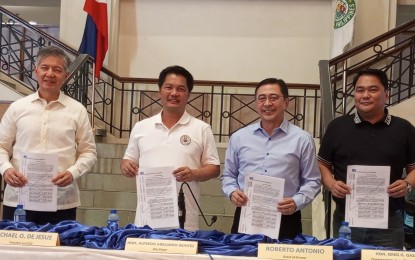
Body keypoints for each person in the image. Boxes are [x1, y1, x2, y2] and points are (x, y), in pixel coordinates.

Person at [318, 68, 415, 249]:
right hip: (346, 221)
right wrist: (331, 184)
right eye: (360, 90)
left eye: (372, 89)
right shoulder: (337, 127)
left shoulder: (404, 129)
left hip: (388, 223)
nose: (365, 95)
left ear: (386, 94)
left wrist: (407, 184)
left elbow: (413, 169)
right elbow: (322, 164)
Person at [0, 46, 97, 224]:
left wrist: (72, 172)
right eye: (45, 68)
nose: (50, 74)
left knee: (59, 249)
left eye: (57, 69)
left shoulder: (77, 111)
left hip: (61, 201)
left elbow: (89, 152)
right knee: (15, 250)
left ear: (66, 76)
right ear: (36, 71)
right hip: (19, 198)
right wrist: (6, 169)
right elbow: (1, 147)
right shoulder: (18, 108)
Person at [121, 65, 220, 231]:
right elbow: (128, 160)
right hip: (146, 218)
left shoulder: (201, 128)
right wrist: (126, 166)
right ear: (160, 91)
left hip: (185, 219)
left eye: (181, 89)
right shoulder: (141, 127)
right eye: (169, 87)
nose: (174, 93)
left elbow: (214, 168)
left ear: (188, 94)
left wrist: (194, 173)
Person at [221, 78, 321, 239]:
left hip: (287, 217)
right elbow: (228, 176)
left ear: (286, 103)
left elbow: (313, 181)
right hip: (247, 215)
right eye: (262, 98)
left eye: (273, 98)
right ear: (256, 104)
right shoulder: (239, 137)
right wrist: (232, 192)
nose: (267, 103)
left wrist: (296, 201)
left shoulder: (302, 139)